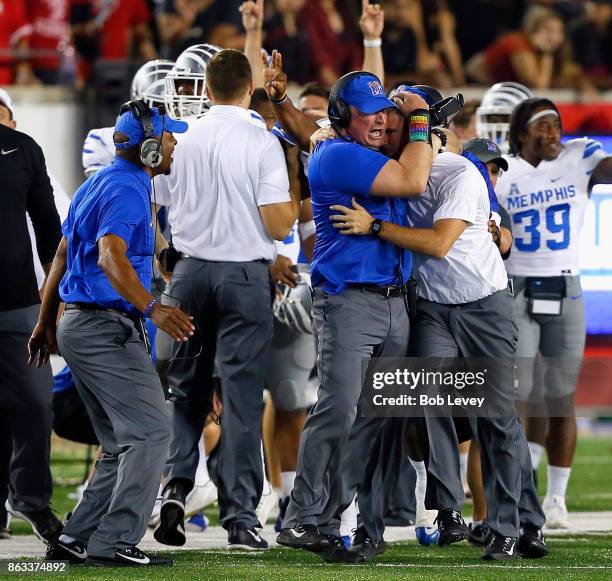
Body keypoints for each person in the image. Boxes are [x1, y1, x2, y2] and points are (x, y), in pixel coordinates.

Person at [330, 90, 548, 560]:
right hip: (430, 305)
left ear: (427, 130)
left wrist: (373, 227)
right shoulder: (391, 168)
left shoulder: (460, 173)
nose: (389, 135)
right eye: (388, 126)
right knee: (422, 398)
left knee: (495, 417)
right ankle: (446, 508)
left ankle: (513, 524)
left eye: (400, 126)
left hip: (482, 304)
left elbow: (439, 244)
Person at [274, 69, 437, 561]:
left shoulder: (348, 144)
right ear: (345, 116)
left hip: (392, 299)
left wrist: (288, 106)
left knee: (370, 419)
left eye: (386, 111)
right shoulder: (339, 155)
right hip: (349, 300)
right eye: (369, 113)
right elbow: (413, 177)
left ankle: (328, 520)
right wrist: (422, 120)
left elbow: (312, 130)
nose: (381, 121)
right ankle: (302, 516)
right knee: (339, 408)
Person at [29, 102, 192, 567]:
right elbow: (108, 256)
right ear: (149, 146)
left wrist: (46, 321)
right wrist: (153, 307)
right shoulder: (125, 188)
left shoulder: (100, 181)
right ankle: (115, 539)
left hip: (79, 322)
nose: (174, 142)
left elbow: (61, 255)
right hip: (103, 324)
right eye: (169, 136)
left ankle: (76, 537)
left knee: (121, 441)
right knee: (152, 432)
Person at [153, 48, 300, 551]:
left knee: (185, 392)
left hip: (188, 275)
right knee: (239, 400)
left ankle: (174, 486)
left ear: (209, 89)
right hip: (242, 276)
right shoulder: (261, 141)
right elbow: (279, 223)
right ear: (246, 87)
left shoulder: (185, 140)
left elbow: (162, 212)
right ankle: (240, 519)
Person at [495, 98, 612, 529]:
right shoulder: (503, 171)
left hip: (566, 284)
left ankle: (557, 500)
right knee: (519, 393)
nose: (553, 133)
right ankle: (521, 491)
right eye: (543, 126)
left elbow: (608, 171)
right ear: (522, 132)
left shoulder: (581, 157)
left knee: (561, 396)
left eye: (557, 125)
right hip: (517, 285)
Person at [0, 87, 63, 546]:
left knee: (37, 404)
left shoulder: (22, 149)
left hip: (20, 303)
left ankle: (33, 502)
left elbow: (49, 228)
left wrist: (54, 296)